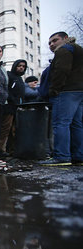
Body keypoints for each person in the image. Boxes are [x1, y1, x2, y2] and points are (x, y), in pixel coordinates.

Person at [40, 32, 83, 165]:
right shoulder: (78, 50)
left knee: (61, 123)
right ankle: (78, 156)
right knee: (76, 124)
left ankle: (61, 156)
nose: (52, 44)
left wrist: (54, 90)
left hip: (66, 91)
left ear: (65, 39)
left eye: (55, 40)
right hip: (79, 92)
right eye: (49, 43)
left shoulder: (64, 50)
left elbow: (61, 71)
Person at [0, 59, 27, 157]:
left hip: (17, 108)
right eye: (19, 66)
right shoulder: (9, 76)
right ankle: (0, 149)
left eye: (23, 66)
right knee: (5, 128)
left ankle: (11, 150)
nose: (21, 68)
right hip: (8, 107)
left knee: (14, 130)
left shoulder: (20, 79)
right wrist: (12, 100)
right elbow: (5, 90)